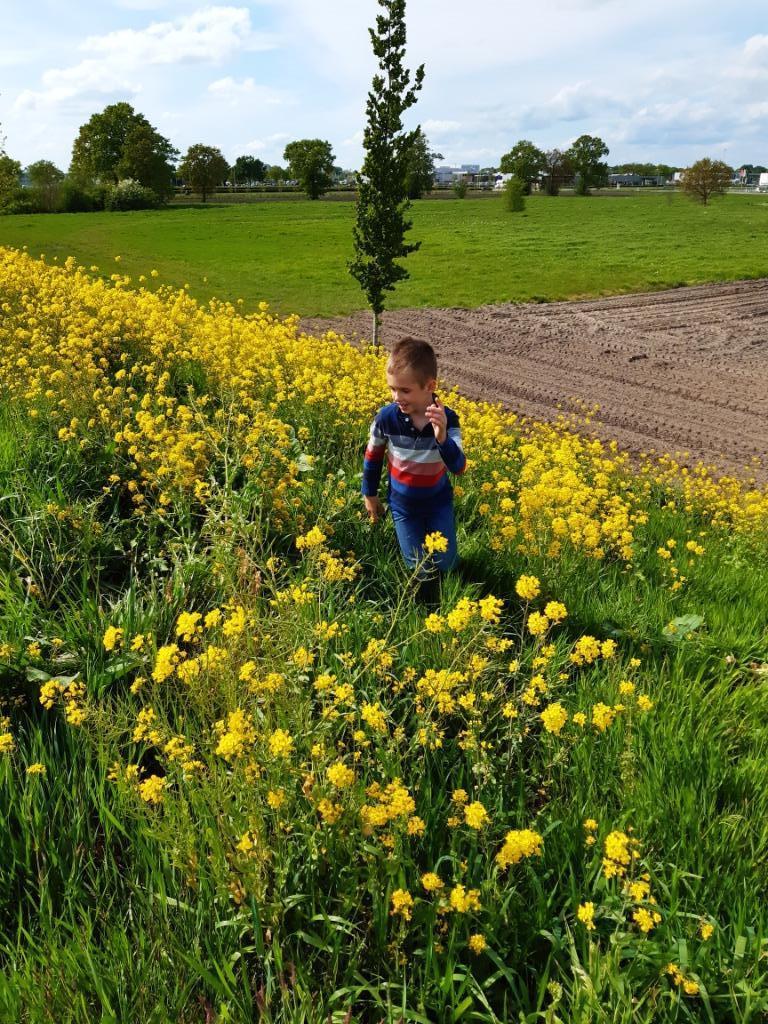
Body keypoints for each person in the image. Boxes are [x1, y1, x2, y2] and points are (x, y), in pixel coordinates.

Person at [361, 336, 466, 591]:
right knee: (418, 567)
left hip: (438, 503)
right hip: (403, 505)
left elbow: (459, 467)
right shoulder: (386, 418)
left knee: (447, 564)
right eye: (392, 389)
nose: (396, 396)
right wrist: (370, 494)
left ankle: (450, 594)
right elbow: (373, 456)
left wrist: (441, 438)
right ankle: (424, 602)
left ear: (430, 386)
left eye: (405, 390)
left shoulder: (447, 419)